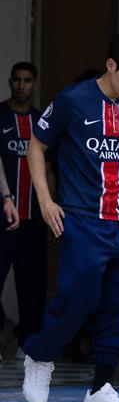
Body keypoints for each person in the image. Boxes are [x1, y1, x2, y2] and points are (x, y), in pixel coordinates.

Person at [21, 33, 119, 402]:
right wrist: (46, 201)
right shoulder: (72, 100)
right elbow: (36, 146)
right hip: (83, 218)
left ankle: (101, 388)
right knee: (79, 298)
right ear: (111, 65)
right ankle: (40, 353)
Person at [0, 62, 46, 356]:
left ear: (34, 84)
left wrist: (50, 207)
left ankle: (27, 343)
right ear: (9, 82)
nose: (21, 85)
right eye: (17, 80)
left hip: (34, 216)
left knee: (33, 287)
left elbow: (49, 168)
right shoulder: (0, 114)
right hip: (3, 215)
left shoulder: (42, 121)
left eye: (27, 80)